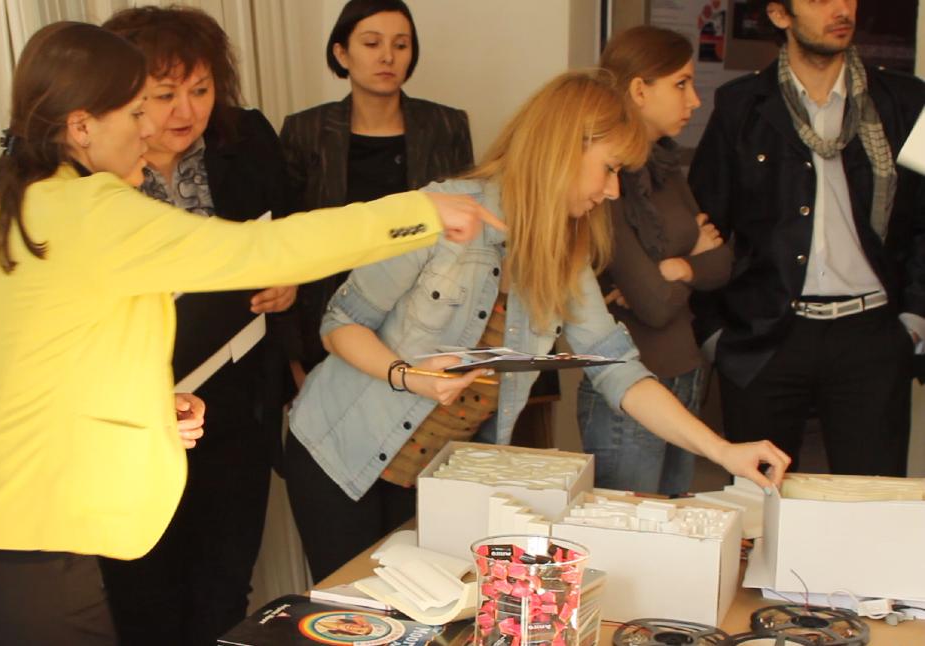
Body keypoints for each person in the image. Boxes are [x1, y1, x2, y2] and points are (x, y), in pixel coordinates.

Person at [0, 21, 499, 646]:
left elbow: (38, 358)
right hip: (17, 534)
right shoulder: (88, 208)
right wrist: (418, 211)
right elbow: (261, 250)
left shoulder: (23, 199)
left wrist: (146, 406)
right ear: (81, 127)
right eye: (136, 112)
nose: (150, 127)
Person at [285, 71, 792, 583]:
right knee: (355, 612)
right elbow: (340, 323)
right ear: (564, 150)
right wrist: (409, 375)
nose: (613, 190)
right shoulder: (445, 210)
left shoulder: (564, 256)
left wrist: (723, 451)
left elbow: (618, 369)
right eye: (609, 168)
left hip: (436, 478)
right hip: (340, 454)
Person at [99, 7, 291, 644]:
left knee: (225, 584)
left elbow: (292, 232)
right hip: (140, 412)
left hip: (238, 400)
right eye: (165, 95)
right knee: (144, 591)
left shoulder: (247, 139)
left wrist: (289, 282)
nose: (187, 111)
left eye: (201, 90)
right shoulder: (92, 174)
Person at [689, 0, 925, 476]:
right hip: (766, 334)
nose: (841, 9)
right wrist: (716, 337)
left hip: (871, 334)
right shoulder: (741, 105)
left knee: (871, 500)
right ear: (780, 15)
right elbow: (703, 226)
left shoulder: (906, 100)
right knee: (762, 498)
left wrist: (914, 319)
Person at [279, 0, 474, 388]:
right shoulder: (306, 131)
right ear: (341, 53)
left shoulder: (445, 125)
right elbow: (287, 241)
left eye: (401, 45)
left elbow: (463, 231)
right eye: (371, 43)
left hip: (420, 323)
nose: (388, 56)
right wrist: (293, 355)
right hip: (327, 321)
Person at [577, 26, 733, 496]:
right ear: (640, 90)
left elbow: (723, 262)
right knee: (631, 525)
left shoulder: (664, 167)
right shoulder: (605, 180)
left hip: (684, 371)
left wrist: (676, 268)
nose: (695, 101)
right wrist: (692, 258)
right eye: (681, 84)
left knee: (672, 522)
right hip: (631, 383)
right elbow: (654, 304)